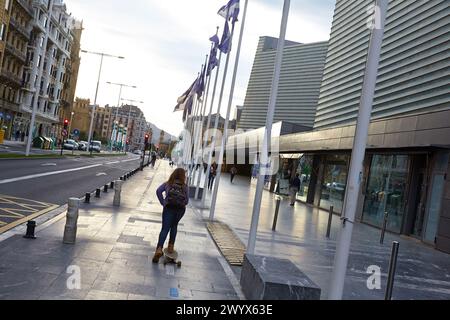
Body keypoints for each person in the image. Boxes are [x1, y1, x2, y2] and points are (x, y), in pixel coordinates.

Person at [152, 168, 189, 263]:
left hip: (168, 208)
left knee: (165, 228)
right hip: (180, 210)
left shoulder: (168, 183)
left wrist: (163, 202)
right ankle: (170, 248)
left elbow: (158, 191)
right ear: (182, 176)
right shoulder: (185, 186)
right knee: (174, 226)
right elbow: (187, 201)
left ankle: (159, 249)